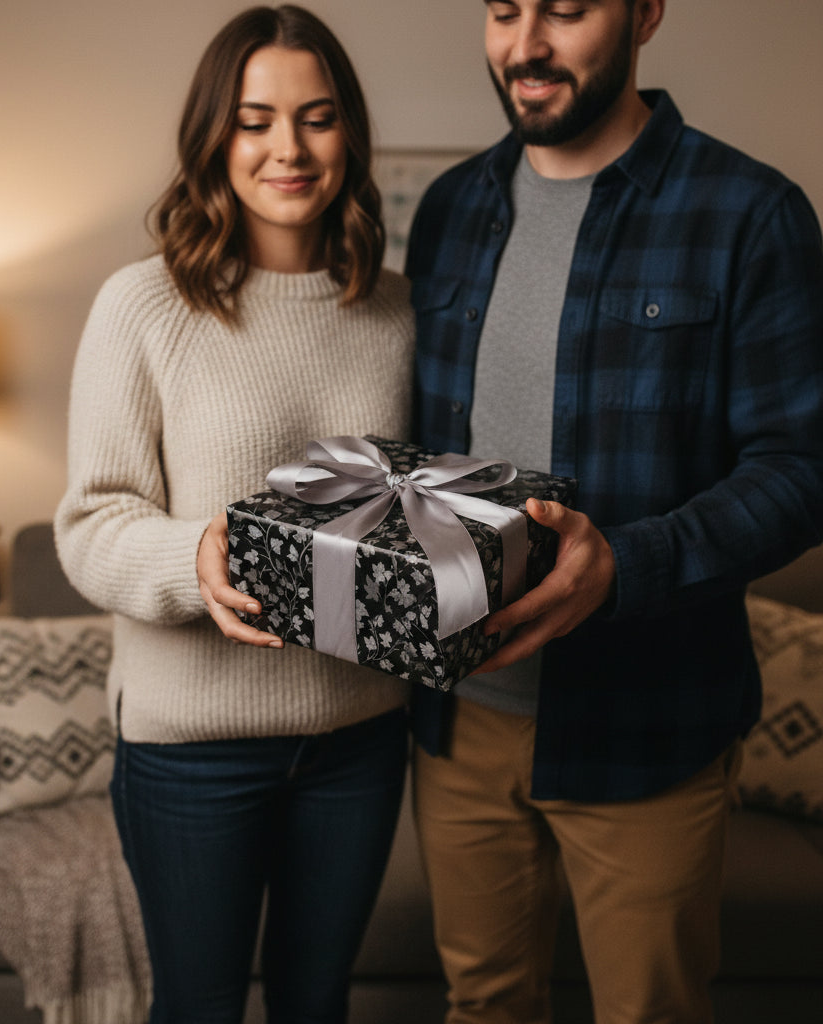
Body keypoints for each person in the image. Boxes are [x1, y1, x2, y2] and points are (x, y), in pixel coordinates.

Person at [405, 2, 823, 1022]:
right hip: (459, 719)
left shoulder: (748, 211)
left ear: (644, 14)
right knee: (481, 1004)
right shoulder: (452, 206)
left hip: (647, 724)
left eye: (565, 8)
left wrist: (626, 565)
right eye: (503, 10)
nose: (524, 43)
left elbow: (802, 464)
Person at [54, 6, 415, 1022]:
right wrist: (197, 554)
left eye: (316, 116)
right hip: (189, 747)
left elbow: (402, 519)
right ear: (214, 135)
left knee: (317, 1005)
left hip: (357, 737)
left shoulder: (395, 310)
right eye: (255, 120)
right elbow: (90, 524)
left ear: (349, 134)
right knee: (199, 1008)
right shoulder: (144, 304)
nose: (287, 149)